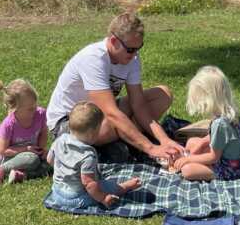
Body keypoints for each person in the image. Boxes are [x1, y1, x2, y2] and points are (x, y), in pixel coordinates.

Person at [46, 12, 184, 164]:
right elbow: (111, 113)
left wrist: (164, 140)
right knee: (113, 123)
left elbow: (138, 105)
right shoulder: (94, 59)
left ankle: (122, 143)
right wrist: (151, 148)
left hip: (100, 114)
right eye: (130, 49)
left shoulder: (132, 59)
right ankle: (68, 147)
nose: (135, 54)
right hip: (70, 122)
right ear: (113, 41)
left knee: (162, 94)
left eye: (139, 48)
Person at [48, 102, 142, 210]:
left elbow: (50, 160)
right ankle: (125, 187)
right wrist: (103, 198)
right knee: (106, 186)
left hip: (57, 192)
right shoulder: (87, 156)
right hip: (75, 198)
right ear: (92, 134)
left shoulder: (60, 140)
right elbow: (88, 184)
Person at [171, 65, 240, 182]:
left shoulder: (220, 124)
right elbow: (216, 138)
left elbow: (213, 157)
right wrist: (201, 144)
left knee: (187, 170)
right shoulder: (229, 113)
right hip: (232, 157)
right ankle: (193, 158)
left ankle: (210, 173)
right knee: (192, 142)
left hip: (231, 168)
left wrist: (188, 160)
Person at [0, 78, 48, 184]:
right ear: (15, 109)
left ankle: (21, 175)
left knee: (54, 161)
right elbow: (2, 151)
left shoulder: (40, 114)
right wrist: (26, 149)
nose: (35, 109)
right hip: (12, 158)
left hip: (34, 154)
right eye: (30, 108)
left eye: (35, 105)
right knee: (32, 159)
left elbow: (43, 132)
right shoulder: (8, 124)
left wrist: (42, 150)